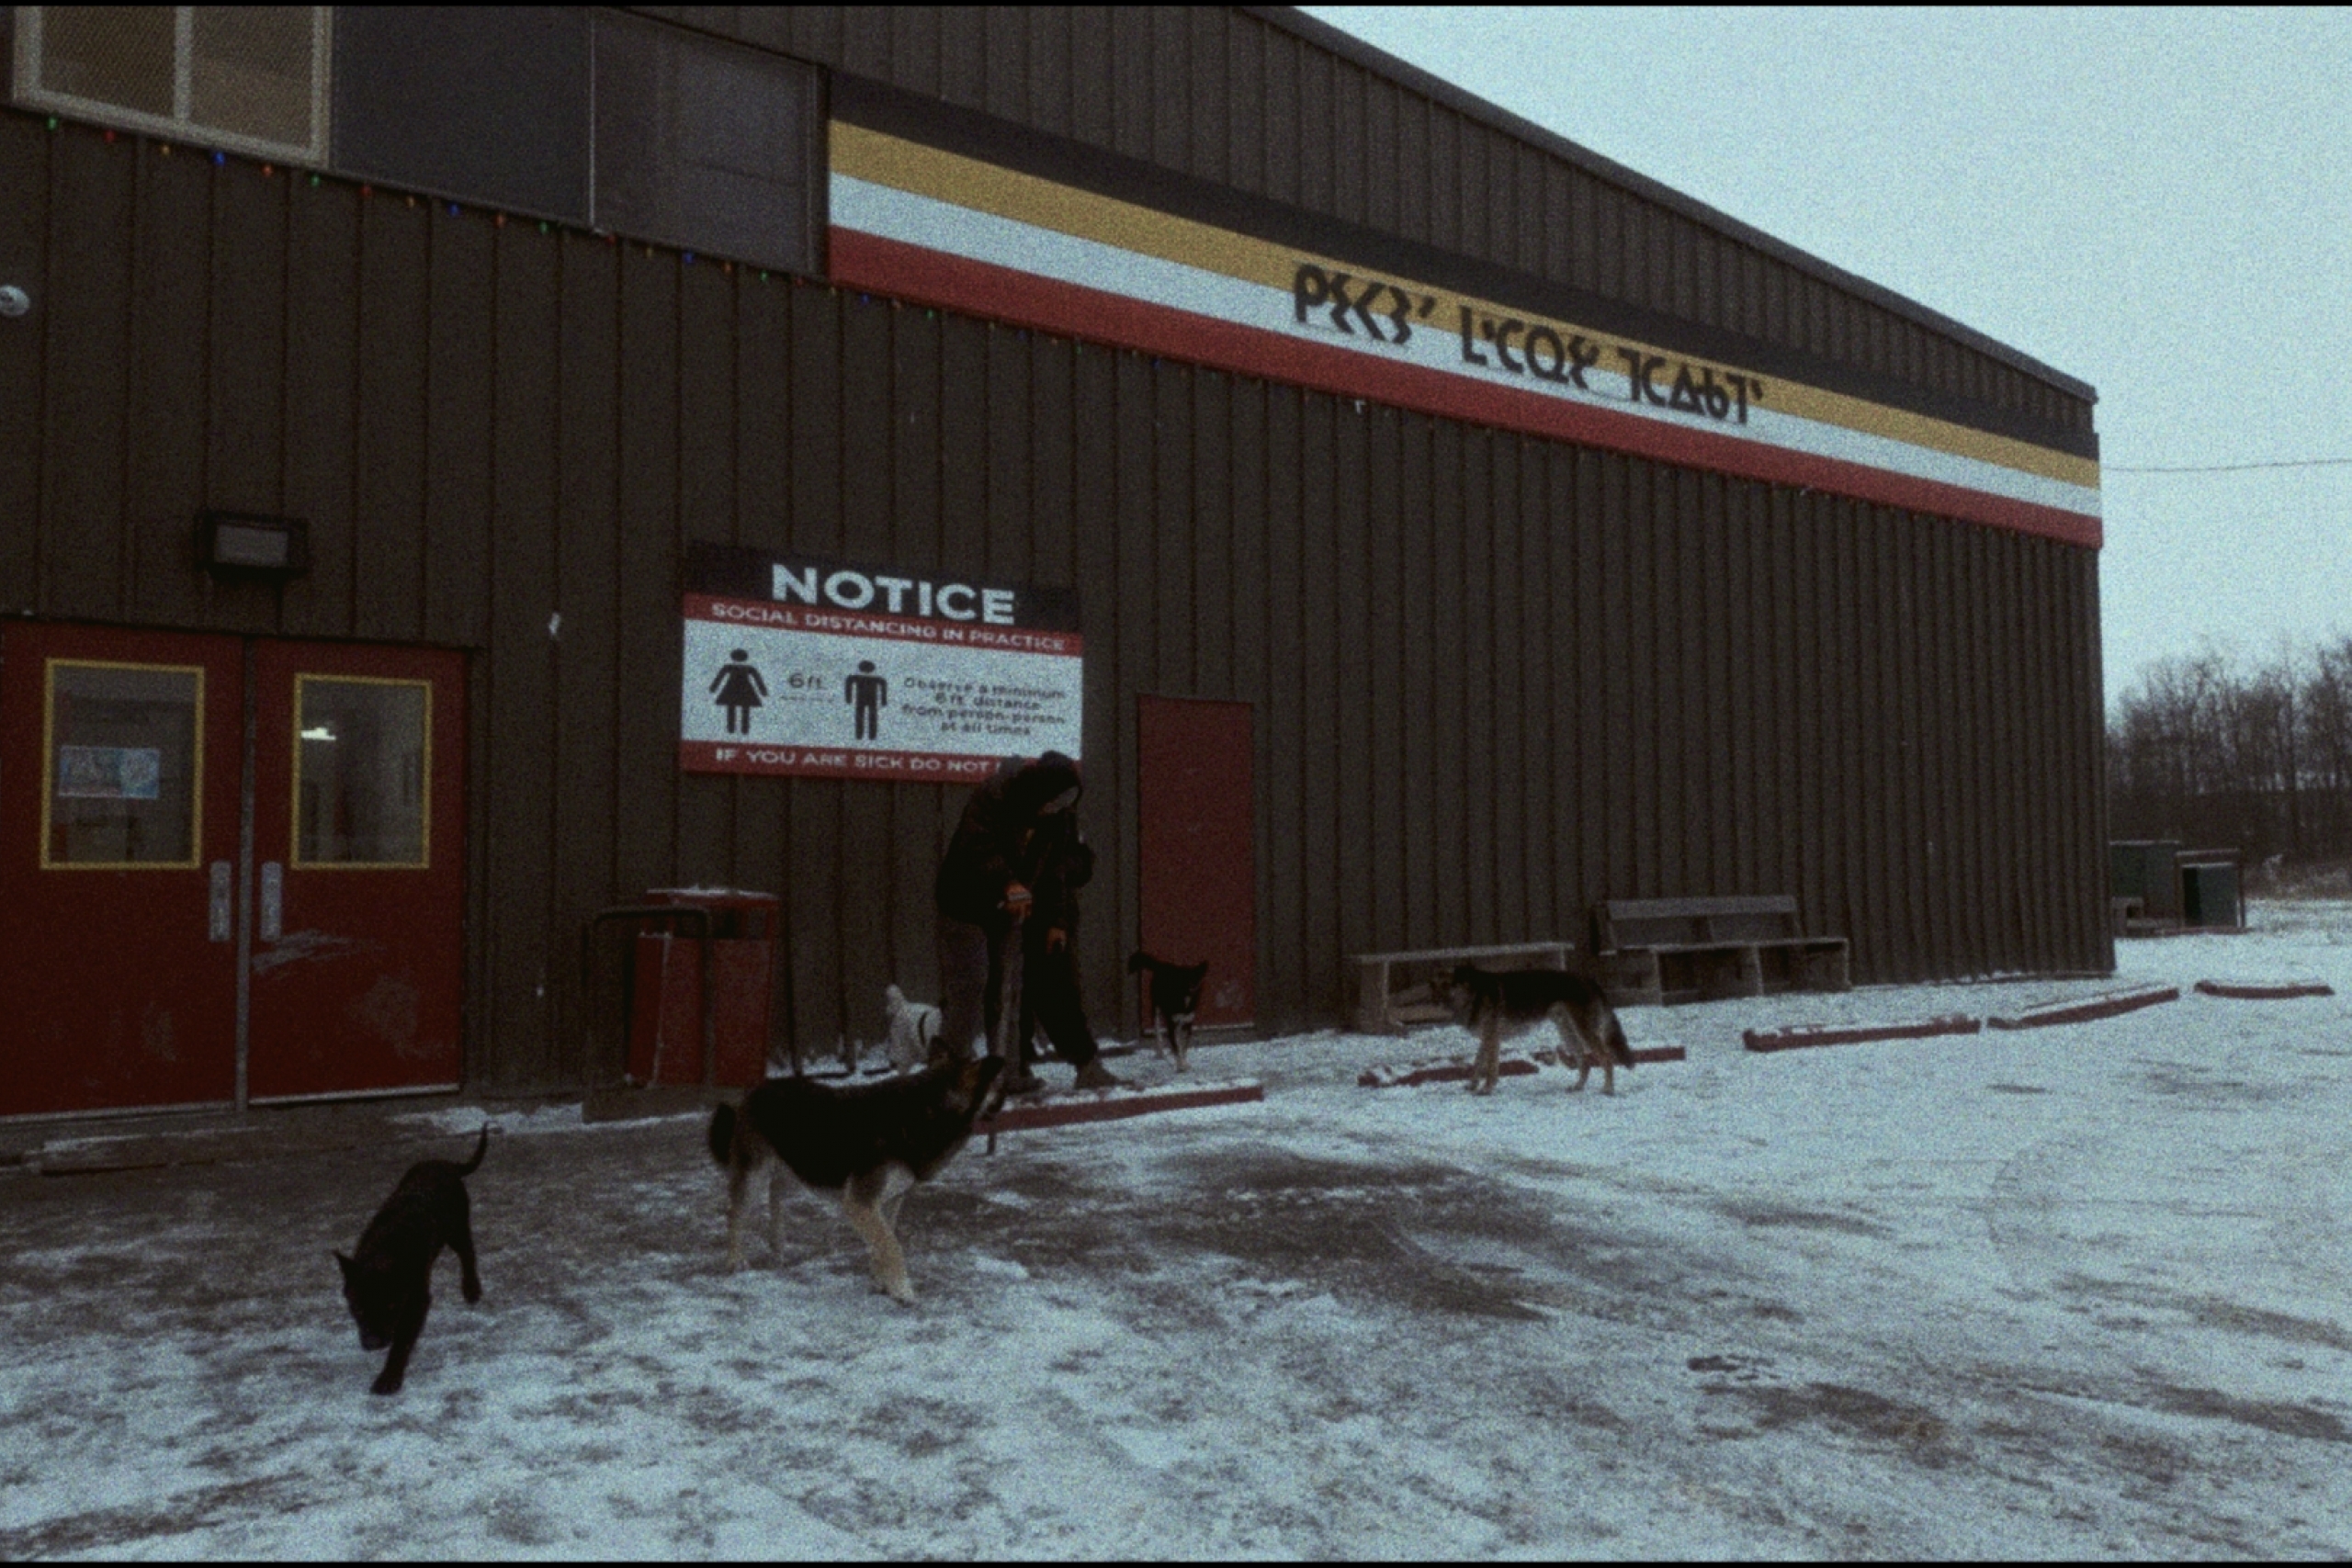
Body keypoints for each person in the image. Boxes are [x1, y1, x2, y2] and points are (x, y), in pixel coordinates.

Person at [933, 750, 1120, 1095]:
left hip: (1014, 909)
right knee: (972, 986)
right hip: (967, 902)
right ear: (1039, 790)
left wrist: (1056, 920)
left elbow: (1054, 872)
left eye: (1065, 802)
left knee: (1012, 988)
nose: (1057, 809)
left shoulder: (1057, 819)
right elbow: (977, 846)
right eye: (1054, 801)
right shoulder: (994, 795)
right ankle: (946, 1071)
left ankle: (1010, 1072)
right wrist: (1007, 880)